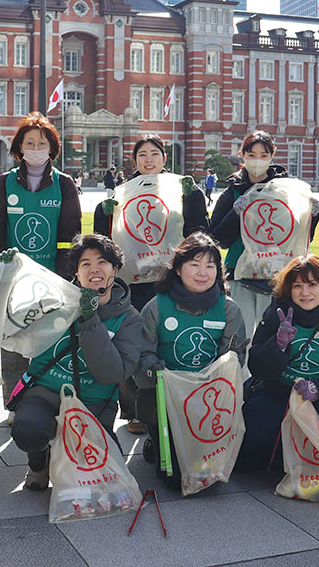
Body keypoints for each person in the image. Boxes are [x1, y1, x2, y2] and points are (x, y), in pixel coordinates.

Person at [93, 134, 209, 434]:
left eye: (154, 154)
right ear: (134, 161)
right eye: (142, 154)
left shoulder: (180, 190)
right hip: (134, 282)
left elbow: (200, 233)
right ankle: (133, 409)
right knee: (131, 343)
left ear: (164, 158)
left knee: (169, 341)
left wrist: (194, 198)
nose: (148, 159)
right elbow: (104, 241)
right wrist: (103, 213)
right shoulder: (121, 194)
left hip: (172, 280)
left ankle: (173, 402)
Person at [7, 234, 143, 490]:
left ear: (115, 269)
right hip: (46, 391)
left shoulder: (130, 319)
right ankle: (39, 464)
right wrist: (8, 273)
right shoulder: (55, 303)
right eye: (85, 264)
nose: (94, 269)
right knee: (28, 430)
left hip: (94, 402)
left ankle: (73, 449)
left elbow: (111, 373)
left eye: (102, 262)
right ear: (77, 275)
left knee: (103, 478)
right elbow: (13, 326)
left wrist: (91, 320)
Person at [236, 254, 319, 473]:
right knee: (259, 430)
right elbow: (257, 367)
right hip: (279, 391)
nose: (304, 293)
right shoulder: (277, 313)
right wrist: (277, 346)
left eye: (312, 285)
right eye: (297, 286)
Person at [0, 112, 81, 417]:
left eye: (42, 143)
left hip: (52, 278)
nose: (36, 148)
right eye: (30, 142)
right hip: (13, 280)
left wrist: (62, 275)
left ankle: (42, 401)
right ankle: (14, 405)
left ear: (51, 148)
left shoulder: (64, 185)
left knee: (46, 342)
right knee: (12, 343)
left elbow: (71, 232)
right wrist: (2, 265)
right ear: (19, 148)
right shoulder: (5, 183)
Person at [133, 233, 248, 488]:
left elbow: (234, 358)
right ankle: (157, 437)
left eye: (210, 266)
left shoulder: (229, 309)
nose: (202, 272)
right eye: (194, 264)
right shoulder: (156, 307)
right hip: (166, 394)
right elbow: (142, 355)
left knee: (210, 474)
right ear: (177, 267)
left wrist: (217, 375)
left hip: (209, 396)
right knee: (175, 478)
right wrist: (153, 368)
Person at [210, 130, 319, 341]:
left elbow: (298, 238)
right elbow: (218, 239)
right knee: (238, 336)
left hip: (276, 274)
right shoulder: (233, 191)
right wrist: (235, 214)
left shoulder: (285, 192)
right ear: (242, 155)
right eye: (251, 155)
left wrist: (312, 217)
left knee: (272, 335)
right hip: (239, 274)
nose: (258, 161)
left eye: (263, 155)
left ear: (272, 156)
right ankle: (240, 374)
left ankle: (267, 374)